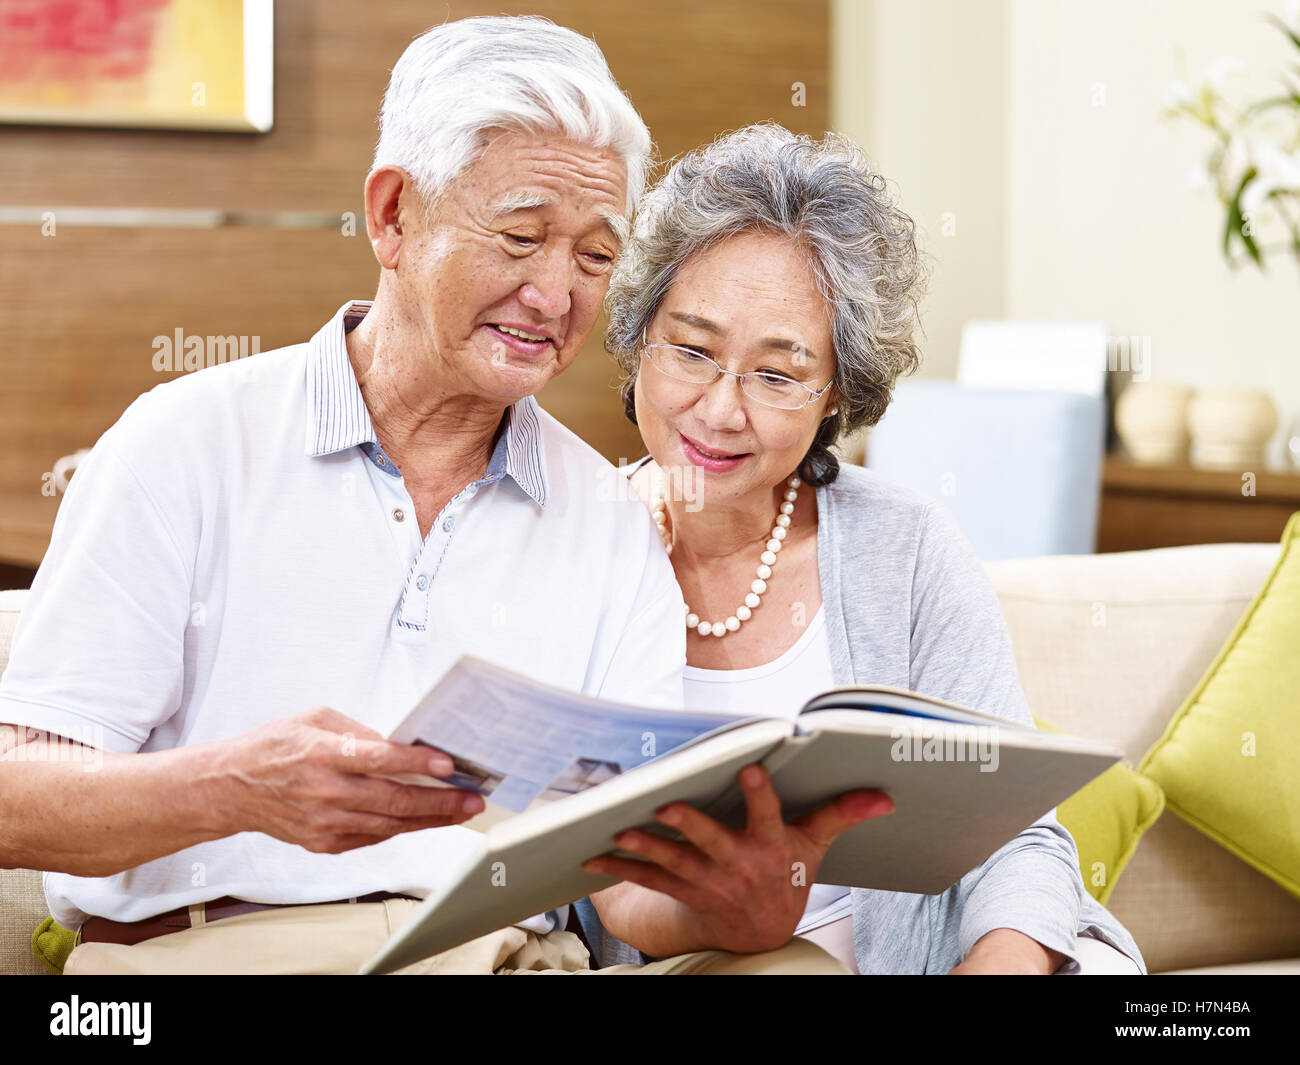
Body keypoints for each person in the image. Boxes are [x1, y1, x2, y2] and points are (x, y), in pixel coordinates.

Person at [0, 20, 861, 976]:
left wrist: (732, 907)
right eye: (522, 237)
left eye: (591, 257)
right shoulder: (185, 443)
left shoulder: (612, 519)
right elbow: (14, 798)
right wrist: (233, 790)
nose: (553, 294)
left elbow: (623, 886)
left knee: (792, 969)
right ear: (394, 215)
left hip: (497, 958)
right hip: (224, 955)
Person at [576, 123, 1147, 975]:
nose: (721, 409)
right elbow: (586, 889)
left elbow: (1016, 831)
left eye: (776, 373)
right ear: (638, 336)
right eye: (692, 351)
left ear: (835, 389)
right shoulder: (567, 546)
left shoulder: (904, 543)